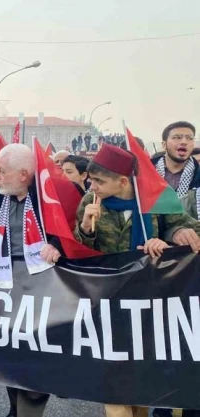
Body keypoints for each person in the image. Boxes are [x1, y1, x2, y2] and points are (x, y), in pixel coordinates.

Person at [75, 144, 200, 417]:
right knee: (112, 383)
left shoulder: (156, 198)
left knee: (139, 384)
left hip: (148, 302)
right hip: (105, 301)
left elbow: (190, 229)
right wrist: (85, 228)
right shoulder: (90, 202)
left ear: (122, 182)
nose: (92, 186)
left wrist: (171, 238)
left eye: (99, 181)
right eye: (90, 180)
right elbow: (78, 252)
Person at [0, 144, 62, 417]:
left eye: (2, 171)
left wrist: (57, 245)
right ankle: (14, 408)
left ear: (24, 175)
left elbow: (67, 232)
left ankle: (29, 412)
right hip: (6, 286)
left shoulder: (48, 197)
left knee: (34, 355)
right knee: (10, 352)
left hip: (42, 288)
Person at [152, 121, 199, 198]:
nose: (184, 142)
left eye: (190, 138)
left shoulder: (197, 175)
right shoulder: (145, 172)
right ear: (164, 145)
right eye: (177, 137)